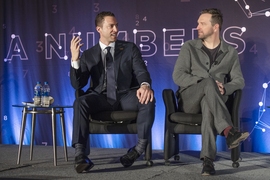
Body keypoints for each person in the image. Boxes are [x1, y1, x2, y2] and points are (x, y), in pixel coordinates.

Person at [70, 11, 155, 173]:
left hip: (125, 96)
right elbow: (77, 84)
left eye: (116, 25)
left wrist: (144, 85)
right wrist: (75, 59)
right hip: (99, 98)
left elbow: (141, 72)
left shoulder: (129, 49)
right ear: (99, 29)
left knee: (148, 98)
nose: (116, 29)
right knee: (80, 101)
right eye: (111, 26)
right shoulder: (89, 54)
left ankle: (138, 149)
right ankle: (80, 154)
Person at [172, 8, 249, 176]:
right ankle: (229, 131)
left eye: (202, 23)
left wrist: (225, 88)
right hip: (190, 100)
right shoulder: (189, 47)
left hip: (213, 101)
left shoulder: (230, 52)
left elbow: (239, 80)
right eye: (198, 23)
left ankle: (208, 161)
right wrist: (204, 82)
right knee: (208, 83)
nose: (197, 26)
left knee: (209, 103)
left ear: (215, 27)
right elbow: (178, 76)